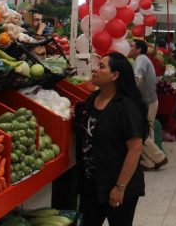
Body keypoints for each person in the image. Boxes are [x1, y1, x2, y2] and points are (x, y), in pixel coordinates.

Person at [74, 53, 148, 226]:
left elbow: (135, 149)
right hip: (92, 184)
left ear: (114, 75)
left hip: (117, 184)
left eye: (101, 66)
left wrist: (119, 187)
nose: (95, 69)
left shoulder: (126, 107)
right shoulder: (93, 99)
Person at [129, 39, 168, 170]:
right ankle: (150, 162)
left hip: (147, 102)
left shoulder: (140, 59)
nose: (128, 48)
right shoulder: (142, 59)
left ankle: (159, 157)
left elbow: (136, 78)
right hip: (150, 100)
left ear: (139, 49)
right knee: (147, 131)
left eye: (131, 46)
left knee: (142, 132)